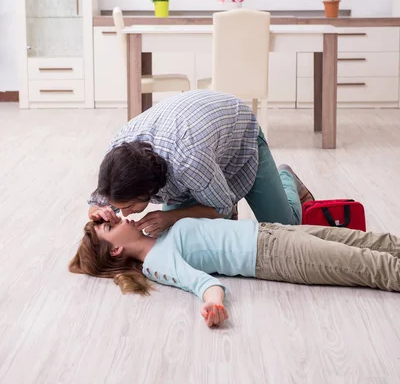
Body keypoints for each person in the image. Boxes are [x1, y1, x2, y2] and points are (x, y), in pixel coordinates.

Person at [70, 212, 400, 328]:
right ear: (115, 249)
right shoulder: (157, 264)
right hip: (272, 255)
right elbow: (201, 283)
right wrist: (215, 305)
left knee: (370, 241)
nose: (116, 218)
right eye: (109, 228)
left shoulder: (155, 228)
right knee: (371, 266)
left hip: (270, 231)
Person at [87, 90, 313, 236]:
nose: (125, 215)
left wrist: (170, 216)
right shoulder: (118, 154)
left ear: (148, 188)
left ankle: (285, 176)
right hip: (200, 142)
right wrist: (98, 209)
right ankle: (215, 189)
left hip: (239, 135)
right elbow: (102, 198)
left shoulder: (188, 162)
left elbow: (220, 207)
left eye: (128, 207)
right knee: (180, 232)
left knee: (285, 229)